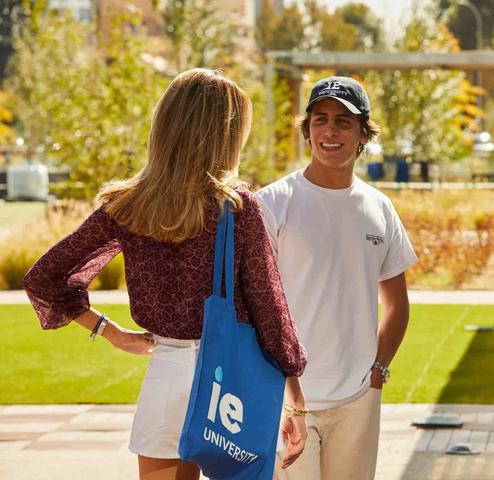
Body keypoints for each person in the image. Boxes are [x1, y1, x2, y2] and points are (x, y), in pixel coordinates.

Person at [23, 68, 308, 480]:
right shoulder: (236, 207)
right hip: (227, 382)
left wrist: (112, 333)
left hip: (166, 373)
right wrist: (294, 399)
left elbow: (44, 277)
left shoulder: (128, 206)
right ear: (223, 136)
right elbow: (270, 310)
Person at [256, 76, 417, 480]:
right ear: (307, 130)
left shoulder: (379, 207)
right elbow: (252, 303)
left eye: (344, 121)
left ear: (363, 134)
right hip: (286, 397)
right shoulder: (272, 203)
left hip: (358, 398)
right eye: (320, 119)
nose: (330, 130)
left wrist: (378, 373)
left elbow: (397, 304)